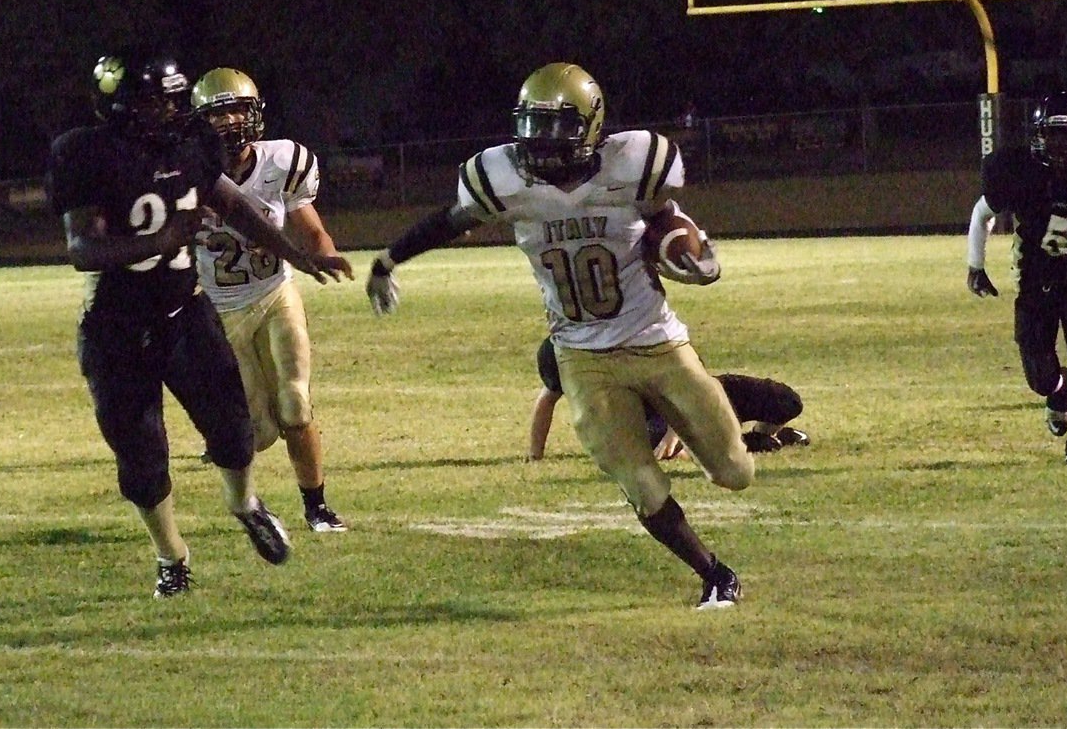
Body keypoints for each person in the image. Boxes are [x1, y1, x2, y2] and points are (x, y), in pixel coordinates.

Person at [365, 62, 752, 610]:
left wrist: (691, 246)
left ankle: (692, 419)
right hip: (581, 355)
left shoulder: (634, 164)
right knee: (639, 482)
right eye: (533, 126)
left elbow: (666, 216)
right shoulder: (503, 178)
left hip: (656, 340)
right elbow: (454, 219)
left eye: (556, 127)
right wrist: (388, 258)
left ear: (592, 127)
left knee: (736, 472)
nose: (540, 142)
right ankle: (714, 573)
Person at [46, 48, 350, 598]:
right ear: (124, 106)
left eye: (173, 99)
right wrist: (158, 241)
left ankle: (245, 504)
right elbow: (81, 247)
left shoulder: (189, 146)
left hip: (184, 313)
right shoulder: (85, 153)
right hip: (116, 328)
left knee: (236, 433)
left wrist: (297, 253)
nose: (172, 111)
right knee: (143, 458)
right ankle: (172, 558)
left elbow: (234, 207)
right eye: (159, 102)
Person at [189, 67, 353, 532]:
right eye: (219, 115)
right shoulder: (187, 173)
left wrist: (326, 253)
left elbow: (312, 226)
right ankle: (250, 501)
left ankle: (317, 506)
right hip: (220, 310)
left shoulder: (284, 160)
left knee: (296, 406)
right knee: (256, 434)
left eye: (239, 110)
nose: (232, 123)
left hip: (274, 293)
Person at [966, 92, 1067, 466]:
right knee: (1038, 372)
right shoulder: (1020, 170)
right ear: (1037, 136)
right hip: (1038, 279)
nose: (1060, 144)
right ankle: (1058, 389)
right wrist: (976, 265)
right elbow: (982, 212)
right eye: (1052, 135)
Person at [527, 335, 809, 461]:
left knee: (787, 402)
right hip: (655, 415)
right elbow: (547, 399)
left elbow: (686, 382)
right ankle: (750, 443)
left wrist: (677, 432)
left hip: (700, 395)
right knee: (658, 445)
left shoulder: (641, 335)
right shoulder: (564, 351)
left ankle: (762, 436)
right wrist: (535, 455)